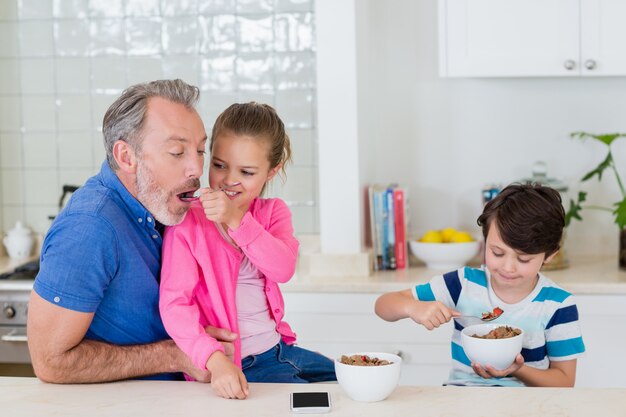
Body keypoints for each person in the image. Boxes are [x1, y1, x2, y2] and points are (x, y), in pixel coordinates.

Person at [27, 79, 237, 383]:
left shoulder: (161, 204)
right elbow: (50, 362)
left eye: (201, 150)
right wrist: (176, 355)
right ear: (127, 158)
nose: (196, 169)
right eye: (178, 152)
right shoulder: (90, 228)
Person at [159, 102, 337, 400]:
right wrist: (215, 362)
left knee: (349, 379)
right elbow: (174, 305)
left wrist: (236, 219)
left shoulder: (272, 214)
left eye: (247, 171)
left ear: (271, 171)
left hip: (279, 350)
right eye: (219, 165)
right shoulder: (189, 221)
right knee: (316, 405)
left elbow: (283, 268)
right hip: (238, 364)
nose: (229, 179)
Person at [375, 183, 586, 387]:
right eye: (497, 253)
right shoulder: (462, 283)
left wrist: (516, 369)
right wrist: (413, 307)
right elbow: (383, 306)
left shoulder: (558, 305)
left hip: (526, 405)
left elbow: (564, 381)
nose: (508, 267)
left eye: (523, 259)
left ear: (549, 255)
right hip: (462, 398)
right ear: (484, 241)